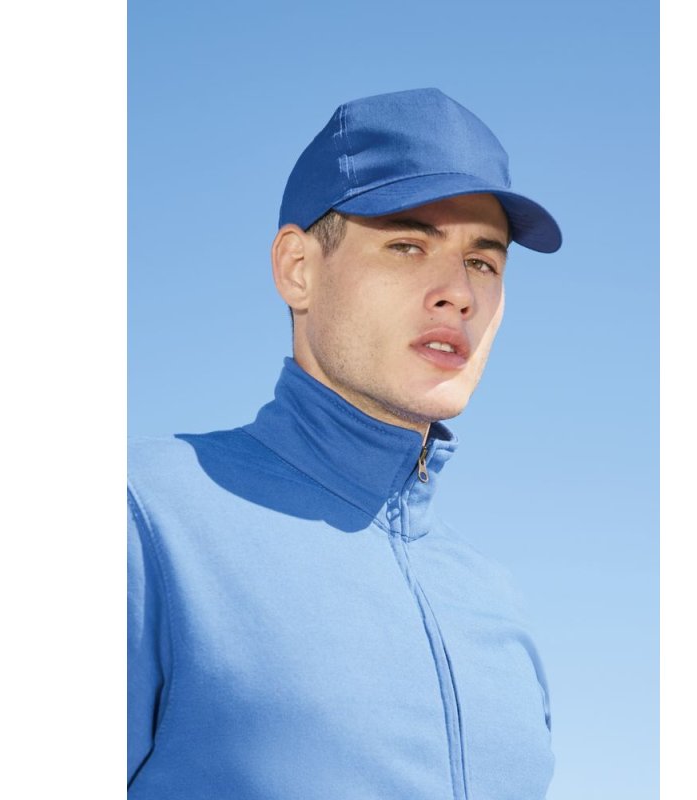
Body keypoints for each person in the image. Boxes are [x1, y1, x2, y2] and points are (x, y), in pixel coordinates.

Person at [128, 87, 562, 800]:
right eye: (407, 245)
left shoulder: (497, 604)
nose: (458, 292)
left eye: (484, 262)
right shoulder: (143, 518)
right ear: (297, 269)